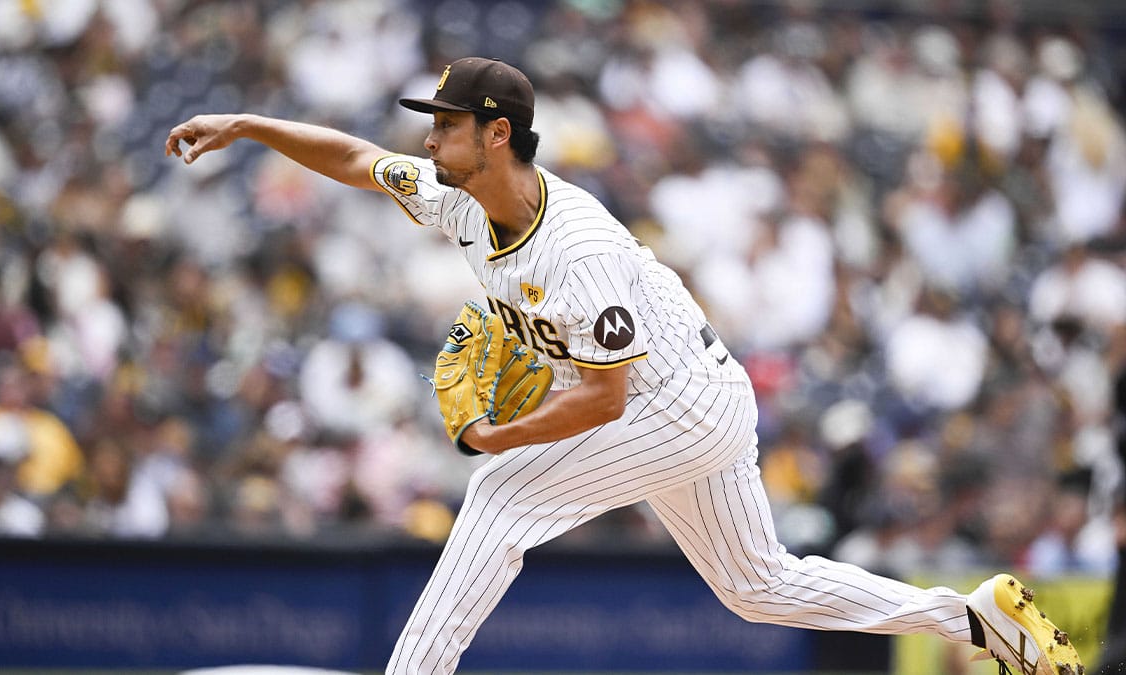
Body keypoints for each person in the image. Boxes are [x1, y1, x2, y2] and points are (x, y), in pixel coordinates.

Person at [166, 57, 1083, 675]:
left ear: (496, 134)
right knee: (755, 585)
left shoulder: (578, 250)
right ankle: (973, 617)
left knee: (501, 495)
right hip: (687, 392)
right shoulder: (458, 198)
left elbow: (602, 398)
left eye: (444, 123)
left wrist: (500, 435)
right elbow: (361, 160)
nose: (426, 138)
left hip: (674, 401)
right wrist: (246, 124)